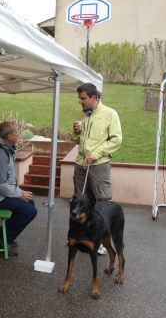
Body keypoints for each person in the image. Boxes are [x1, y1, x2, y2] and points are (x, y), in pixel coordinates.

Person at [71, 83, 122, 255]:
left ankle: (99, 242)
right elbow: (79, 141)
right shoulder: (85, 116)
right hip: (80, 164)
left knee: (101, 204)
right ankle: (79, 238)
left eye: (83, 98)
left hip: (98, 166)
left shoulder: (110, 114)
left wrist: (97, 154)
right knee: (80, 203)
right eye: (80, 98)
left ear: (94, 97)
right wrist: (77, 132)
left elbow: (116, 140)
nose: (80, 102)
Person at [0, 121, 36, 256]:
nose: (19, 135)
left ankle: (4, 235)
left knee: (29, 204)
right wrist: (19, 193)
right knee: (29, 210)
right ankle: (2, 239)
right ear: (8, 136)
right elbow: (0, 183)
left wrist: (19, 193)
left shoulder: (5, 148)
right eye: (16, 133)